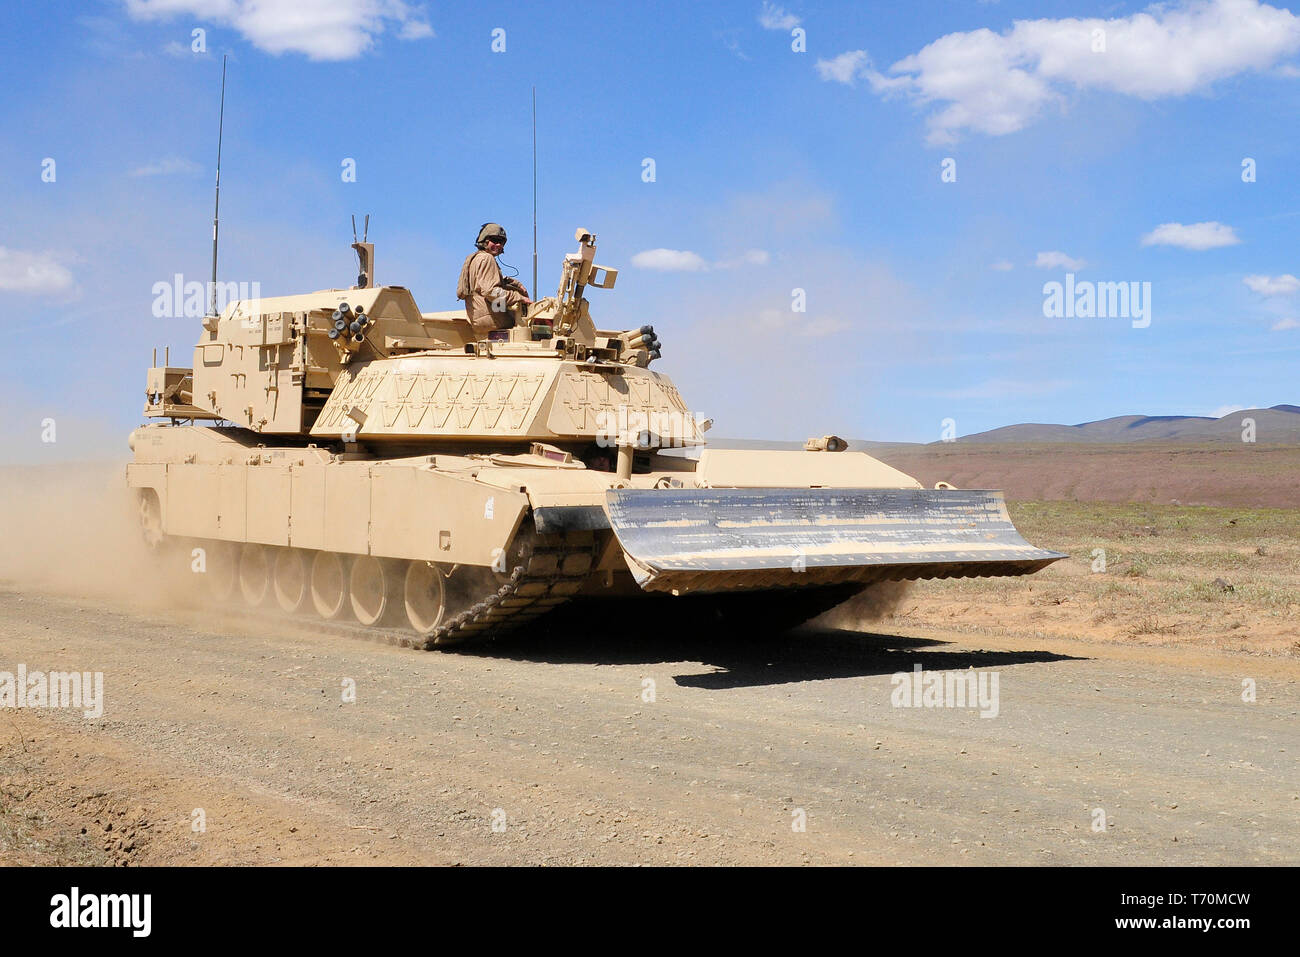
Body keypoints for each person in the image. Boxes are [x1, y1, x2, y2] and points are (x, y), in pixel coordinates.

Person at [456, 222, 531, 336]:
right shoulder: (487, 258)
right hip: (491, 317)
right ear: (484, 241)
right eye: (494, 241)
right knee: (531, 325)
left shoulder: (474, 259)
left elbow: (485, 281)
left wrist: (516, 284)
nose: (499, 245)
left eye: (501, 242)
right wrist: (519, 298)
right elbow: (491, 291)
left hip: (477, 318)